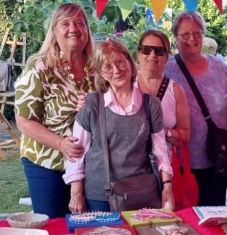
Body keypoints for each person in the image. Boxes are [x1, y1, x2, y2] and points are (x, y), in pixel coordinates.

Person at [63, 40, 174, 213]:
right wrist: (76, 192)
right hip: (99, 195)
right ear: (101, 73)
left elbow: (160, 150)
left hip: (140, 192)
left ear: (130, 62)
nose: (116, 70)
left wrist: (167, 186)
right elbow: (77, 152)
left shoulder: (150, 104)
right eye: (107, 67)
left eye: (120, 62)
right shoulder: (92, 103)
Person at [15, 3, 95, 218]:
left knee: (88, 226)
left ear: (87, 30)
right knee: (53, 225)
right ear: (54, 30)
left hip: (88, 164)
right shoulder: (39, 66)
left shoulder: (97, 67)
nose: (73, 29)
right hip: (47, 161)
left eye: (80, 23)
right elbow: (23, 121)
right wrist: (60, 143)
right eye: (65, 23)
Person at [165, 11, 227, 206]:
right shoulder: (166, 69)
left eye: (197, 33)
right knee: (183, 223)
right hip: (181, 163)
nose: (192, 39)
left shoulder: (219, 66)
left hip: (217, 160)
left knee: (214, 220)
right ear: (175, 38)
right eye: (185, 34)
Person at [135, 29, 190, 154]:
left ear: (167, 57)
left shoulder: (175, 90)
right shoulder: (126, 84)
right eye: (147, 49)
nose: (152, 55)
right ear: (139, 53)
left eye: (159, 51)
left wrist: (163, 132)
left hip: (164, 167)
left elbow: (186, 135)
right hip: (130, 166)